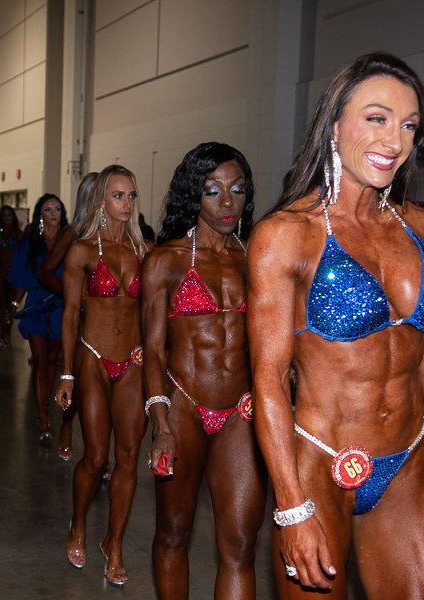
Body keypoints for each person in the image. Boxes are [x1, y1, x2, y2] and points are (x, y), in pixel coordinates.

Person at [245, 53, 424, 598]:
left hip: (406, 462)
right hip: (319, 462)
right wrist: (290, 506)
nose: (395, 140)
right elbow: (269, 377)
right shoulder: (286, 235)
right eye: (377, 118)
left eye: (409, 125)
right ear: (335, 126)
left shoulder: (420, 225)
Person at [142, 142, 266, 598]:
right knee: (173, 533)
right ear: (194, 195)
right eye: (213, 190)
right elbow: (153, 351)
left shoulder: (258, 258)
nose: (227, 202)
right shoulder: (165, 261)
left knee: (240, 545)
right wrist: (161, 425)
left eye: (237, 189)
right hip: (183, 409)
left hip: (241, 413)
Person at [54, 164, 148, 586]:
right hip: (92, 358)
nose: (126, 203)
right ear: (101, 200)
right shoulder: (81, 252)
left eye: (131, 195)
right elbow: (70, 314)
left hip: (133, 363)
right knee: (95, 457)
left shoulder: (146, 251)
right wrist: (67, 373)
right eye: (117, 195)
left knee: (128, 458)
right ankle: (78, 523)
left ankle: (115, 542)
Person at [39, 173, 97, 460]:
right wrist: (72, 293)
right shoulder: (73, 232)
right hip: (81, 318)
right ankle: (66, 424)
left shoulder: (117, 233)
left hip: (108, 321)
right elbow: (45, 271)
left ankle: (99, 451)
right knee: (78, 378)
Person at [9, 194, 68, 440]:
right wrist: (14, 304)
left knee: (52, 361)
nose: (53, 214)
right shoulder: (30, 243)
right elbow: (21, 277)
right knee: (39, 359)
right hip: (35, 305)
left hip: (60, 307)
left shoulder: (69, 242)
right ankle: (42, 415)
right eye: (48, 209)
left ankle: (45, 406)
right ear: (40, 215)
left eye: (57, 209)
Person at [0, 205, 23, 348]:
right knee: (1, 304)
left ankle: (7, 333)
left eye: (9, 215)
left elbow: (23, 254)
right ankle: (2, 331)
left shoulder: (18, 234)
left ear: (14, 217)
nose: (7, 218)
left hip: (13, 273)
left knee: (11, 305)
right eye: (4, 215)